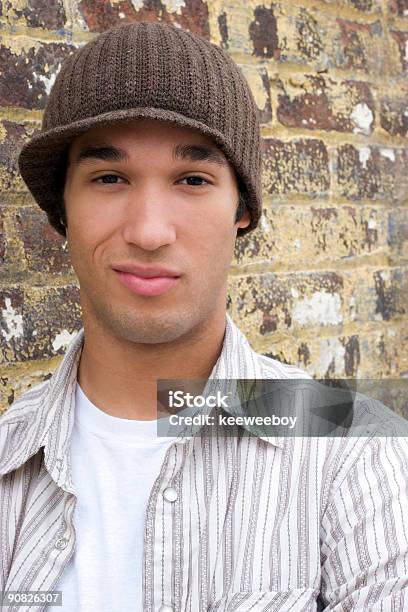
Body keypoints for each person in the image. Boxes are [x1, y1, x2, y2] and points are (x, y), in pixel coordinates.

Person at [0, 21, 407, 612]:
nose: (148, 231)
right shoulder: (10, 456)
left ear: (241, 209)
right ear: (62, 208)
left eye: (193, 179)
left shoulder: (355, 445)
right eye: (109, 178)